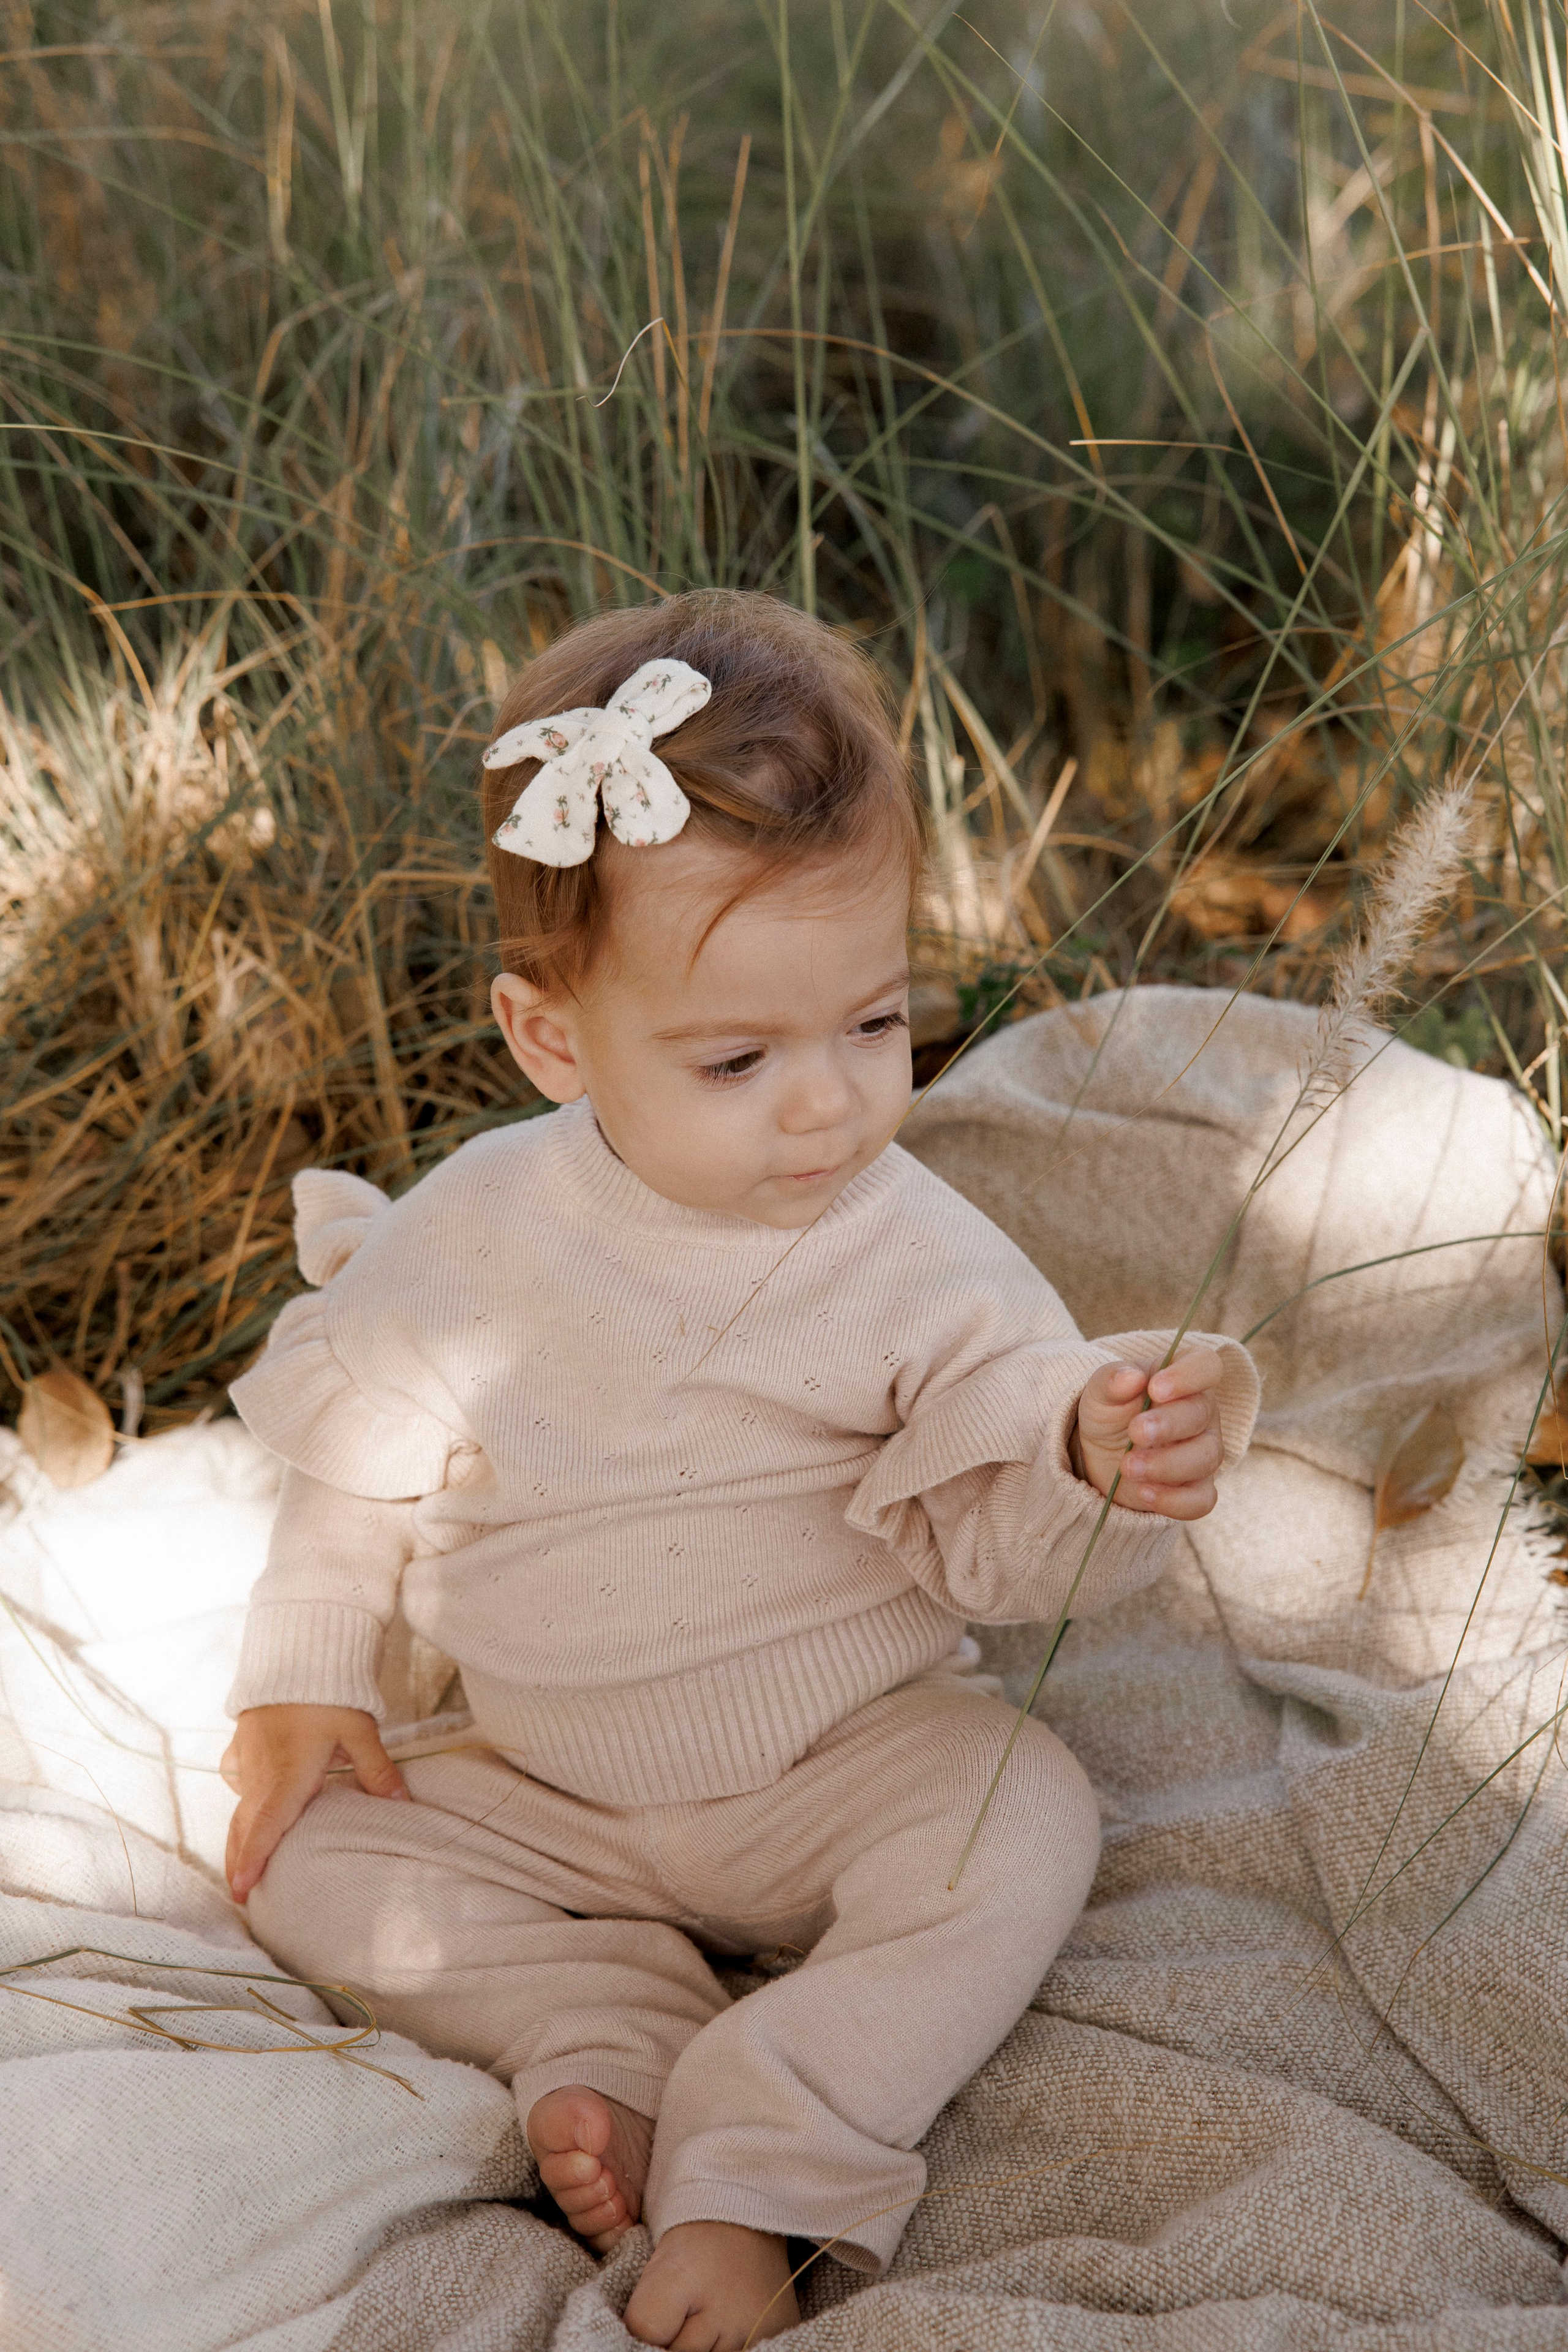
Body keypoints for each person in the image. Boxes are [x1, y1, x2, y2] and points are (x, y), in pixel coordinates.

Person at [222, 590, 1258, 2352]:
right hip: (541, 1782)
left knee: (1019, 1816)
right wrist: (306, 1677)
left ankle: (760, 2160)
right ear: (556, 1039)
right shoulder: (479, 1230)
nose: (827, 1106)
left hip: (831, 1768)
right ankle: (599, 2029)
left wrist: (1089, 1455)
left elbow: (998, 1558)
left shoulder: (918, 1257)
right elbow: (357, 1464)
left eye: (875, 1025)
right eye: (737, 1059)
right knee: (298, 1853)